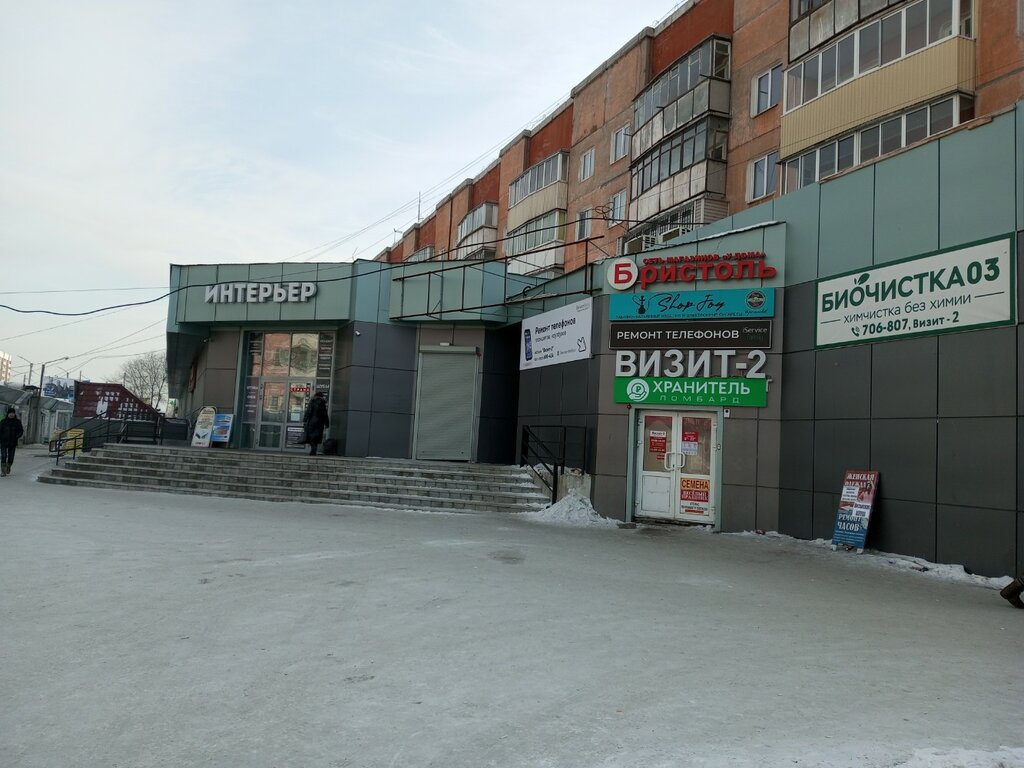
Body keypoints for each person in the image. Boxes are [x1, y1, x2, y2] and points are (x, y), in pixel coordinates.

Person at [302, 391, 329, 457]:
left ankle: (313, 449)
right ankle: (314, 450)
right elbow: (325, 414)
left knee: (311, 436)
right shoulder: (323, 403)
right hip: (320, 423)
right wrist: (327, 423)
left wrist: (305, 420)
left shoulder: (312, 401)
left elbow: (308, 411)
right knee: (316, 437)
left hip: (312, 421)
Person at [0, 406, 25, 477]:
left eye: (12, 413)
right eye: (10, 413)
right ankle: (3, 471)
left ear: (14, 414)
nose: (11, 414)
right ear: (8, 414)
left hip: (13, 442)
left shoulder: (17, 422)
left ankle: (8, 466)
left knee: (11, 457)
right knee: (3, 456)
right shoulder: (3, 422)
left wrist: (16, 436)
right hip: (3, 442)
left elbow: (21, 431)